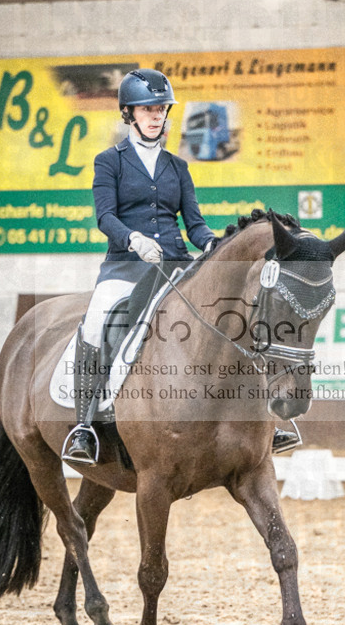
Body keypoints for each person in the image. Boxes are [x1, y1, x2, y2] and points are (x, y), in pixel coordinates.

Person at [62, 68, 299, 464]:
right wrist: (133, 239)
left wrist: (212, 245)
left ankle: (266, 422)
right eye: (147, 109)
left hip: (176, 265)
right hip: (126, 266)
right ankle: (84, 425)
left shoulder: (177, 167)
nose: (156, 116)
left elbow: (195, 223)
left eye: (161, 109)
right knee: (97, 321)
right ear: (129, 113)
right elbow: (105, 216)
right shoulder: (109, 162)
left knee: (236, 319)